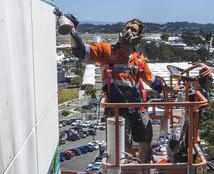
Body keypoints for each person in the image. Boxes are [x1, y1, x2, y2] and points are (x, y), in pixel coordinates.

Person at [67, 15, 178, 163]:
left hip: (138, 108)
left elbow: (153, 82)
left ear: (139, 36)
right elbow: (80, 51)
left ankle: (144, 173)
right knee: (121, 146)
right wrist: (72, 31)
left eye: (133, 29)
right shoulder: (107, 51)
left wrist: (170, 88)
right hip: (117, 109)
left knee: (146, 141)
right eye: (127, 28)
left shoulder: (139, 59)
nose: (129, 31)